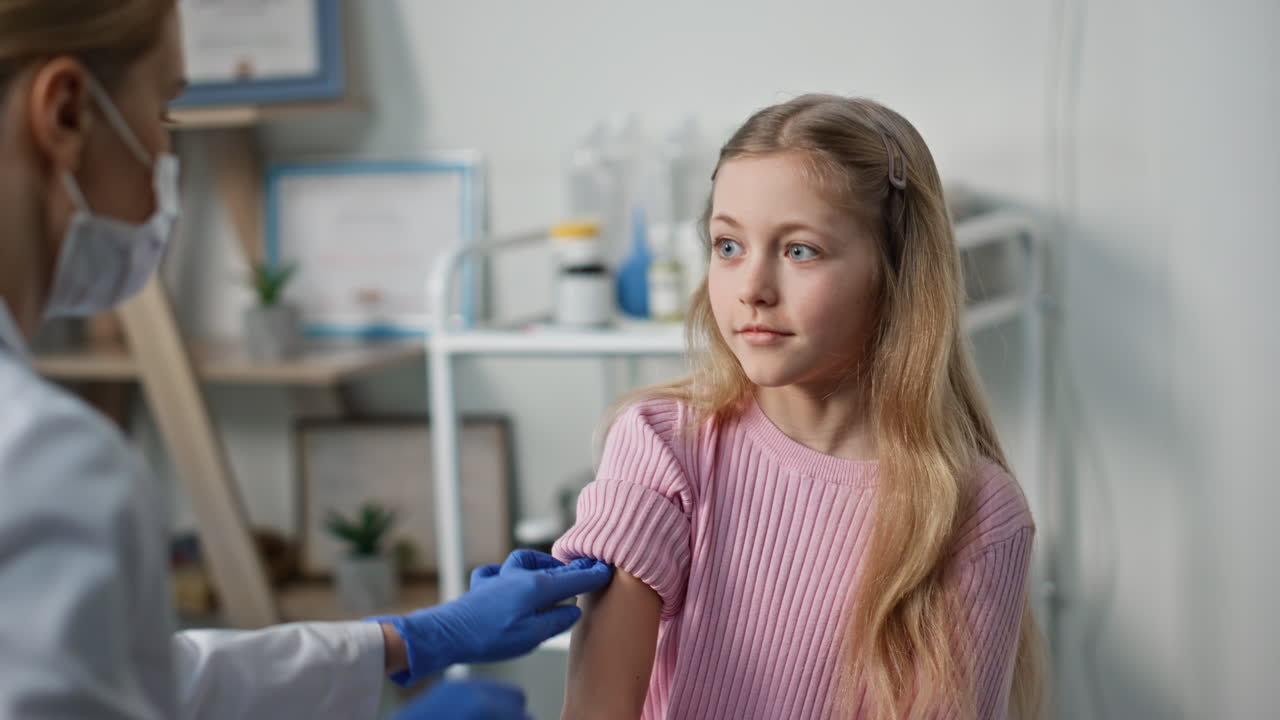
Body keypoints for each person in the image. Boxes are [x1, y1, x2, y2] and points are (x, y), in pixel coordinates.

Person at [0, 2, 612, 719]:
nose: (165, 162)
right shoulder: (41, 461)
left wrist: (408, 638)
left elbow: (150, 680)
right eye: (165, 117)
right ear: (67, 113)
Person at [553, 94, 1046, 719]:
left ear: (895, 273)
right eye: (728, 246)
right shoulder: (661, 444)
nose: (752, 289)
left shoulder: (972, 514)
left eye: (799, 251)